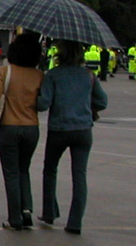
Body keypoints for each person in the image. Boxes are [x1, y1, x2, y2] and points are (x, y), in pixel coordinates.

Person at [36, 40, 109, 235]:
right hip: (83, 130)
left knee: (50, 169)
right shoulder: (89, 76)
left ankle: (49, 211)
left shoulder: (53, 75)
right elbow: (102, 101)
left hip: (59, 129)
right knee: (79, 175)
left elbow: (43, 104)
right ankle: (75, 222)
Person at [0, 33, 44, 230]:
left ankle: (14, 218)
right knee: (23, 169)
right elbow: (42, 104)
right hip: (31, 128)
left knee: (11, 173)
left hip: (9, 126)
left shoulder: (5, 71)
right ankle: (27, 208)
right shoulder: (39, 75)